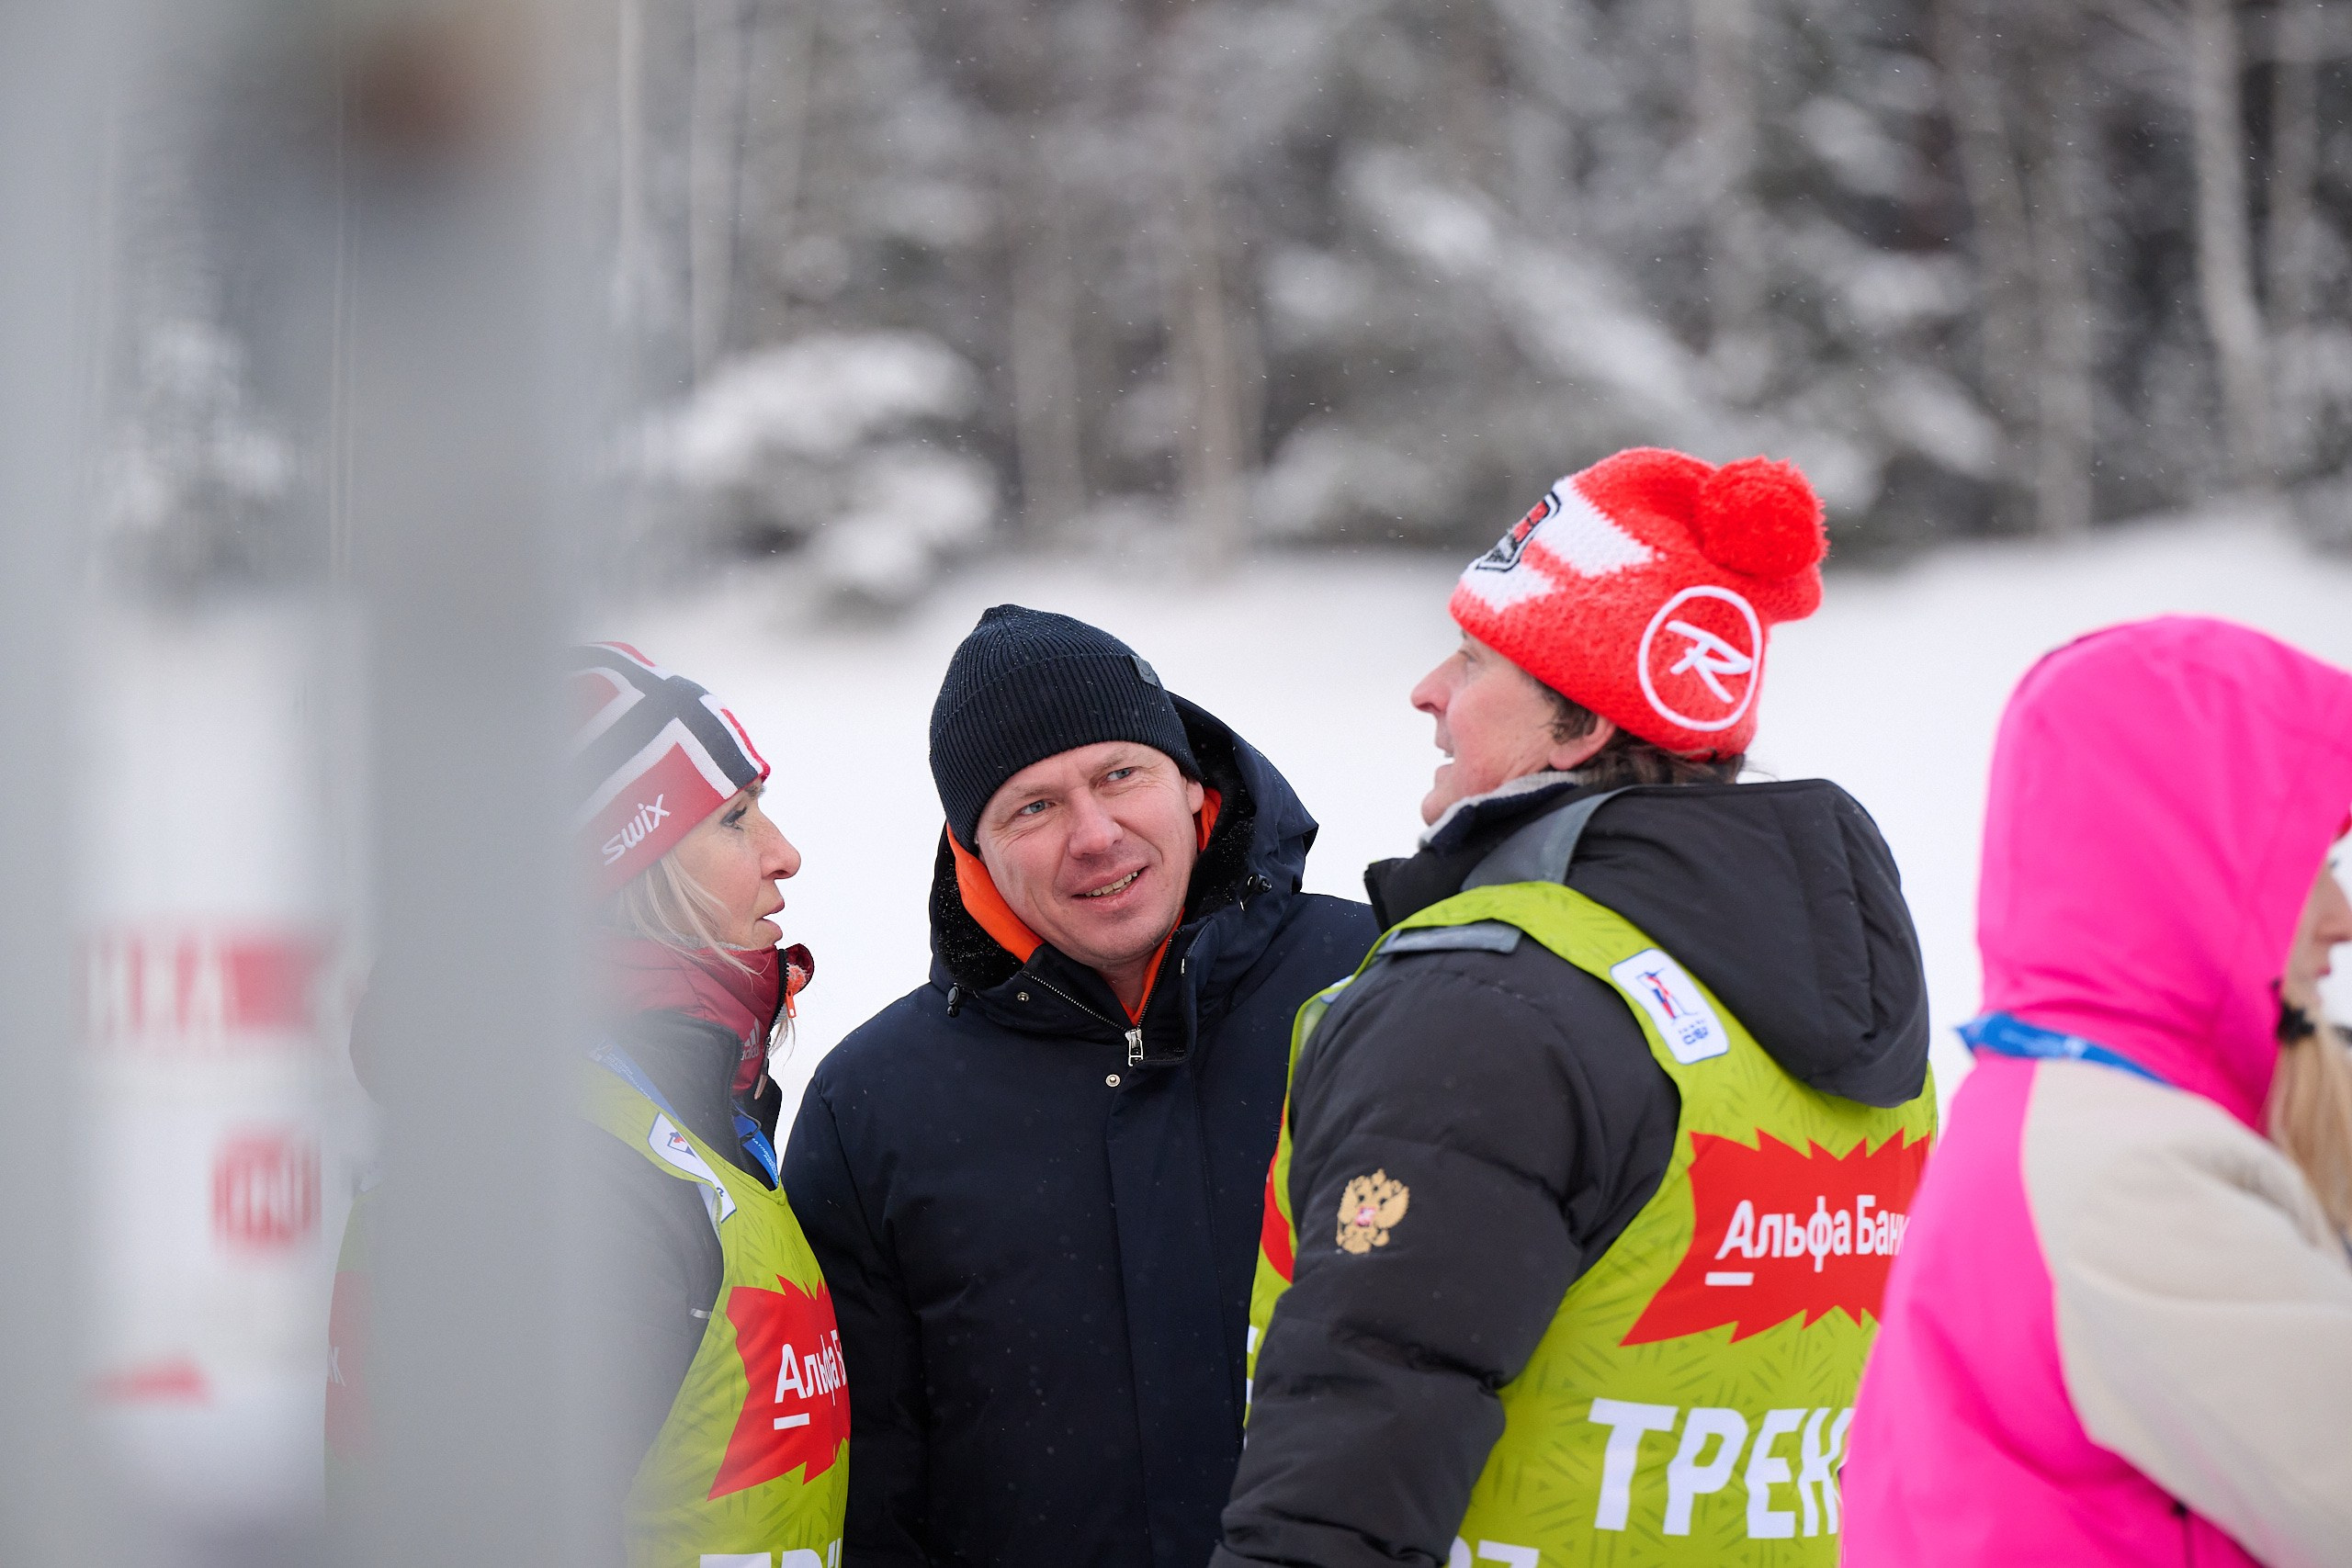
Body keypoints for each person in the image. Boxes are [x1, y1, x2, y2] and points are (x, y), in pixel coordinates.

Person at [1215, 447, 1936, 1568]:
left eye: (1472, 660)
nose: (1428, 691)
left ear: (1581, 723)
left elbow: (1349, 1467)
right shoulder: (1839, 1015)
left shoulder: (1487, 1004)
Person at [781, 606, 1380, 1568]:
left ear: (1192, 784)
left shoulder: (1377, 987)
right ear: (973, 850)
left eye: (1119, 775)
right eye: (1033, 807)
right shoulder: (873, 1107)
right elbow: (873, 1498)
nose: (1095, 835)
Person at [1842, 616, 2352, 1567]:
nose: (2342, 919)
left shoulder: (2058, 1108)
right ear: (2187, 867)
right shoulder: (2127, 1169)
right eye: (2307, 867)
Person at [570, 642, 848, 1566]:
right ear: (626, 870)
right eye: (733, 818)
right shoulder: (578, 1167)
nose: (784, 854)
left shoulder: (677, 1108)